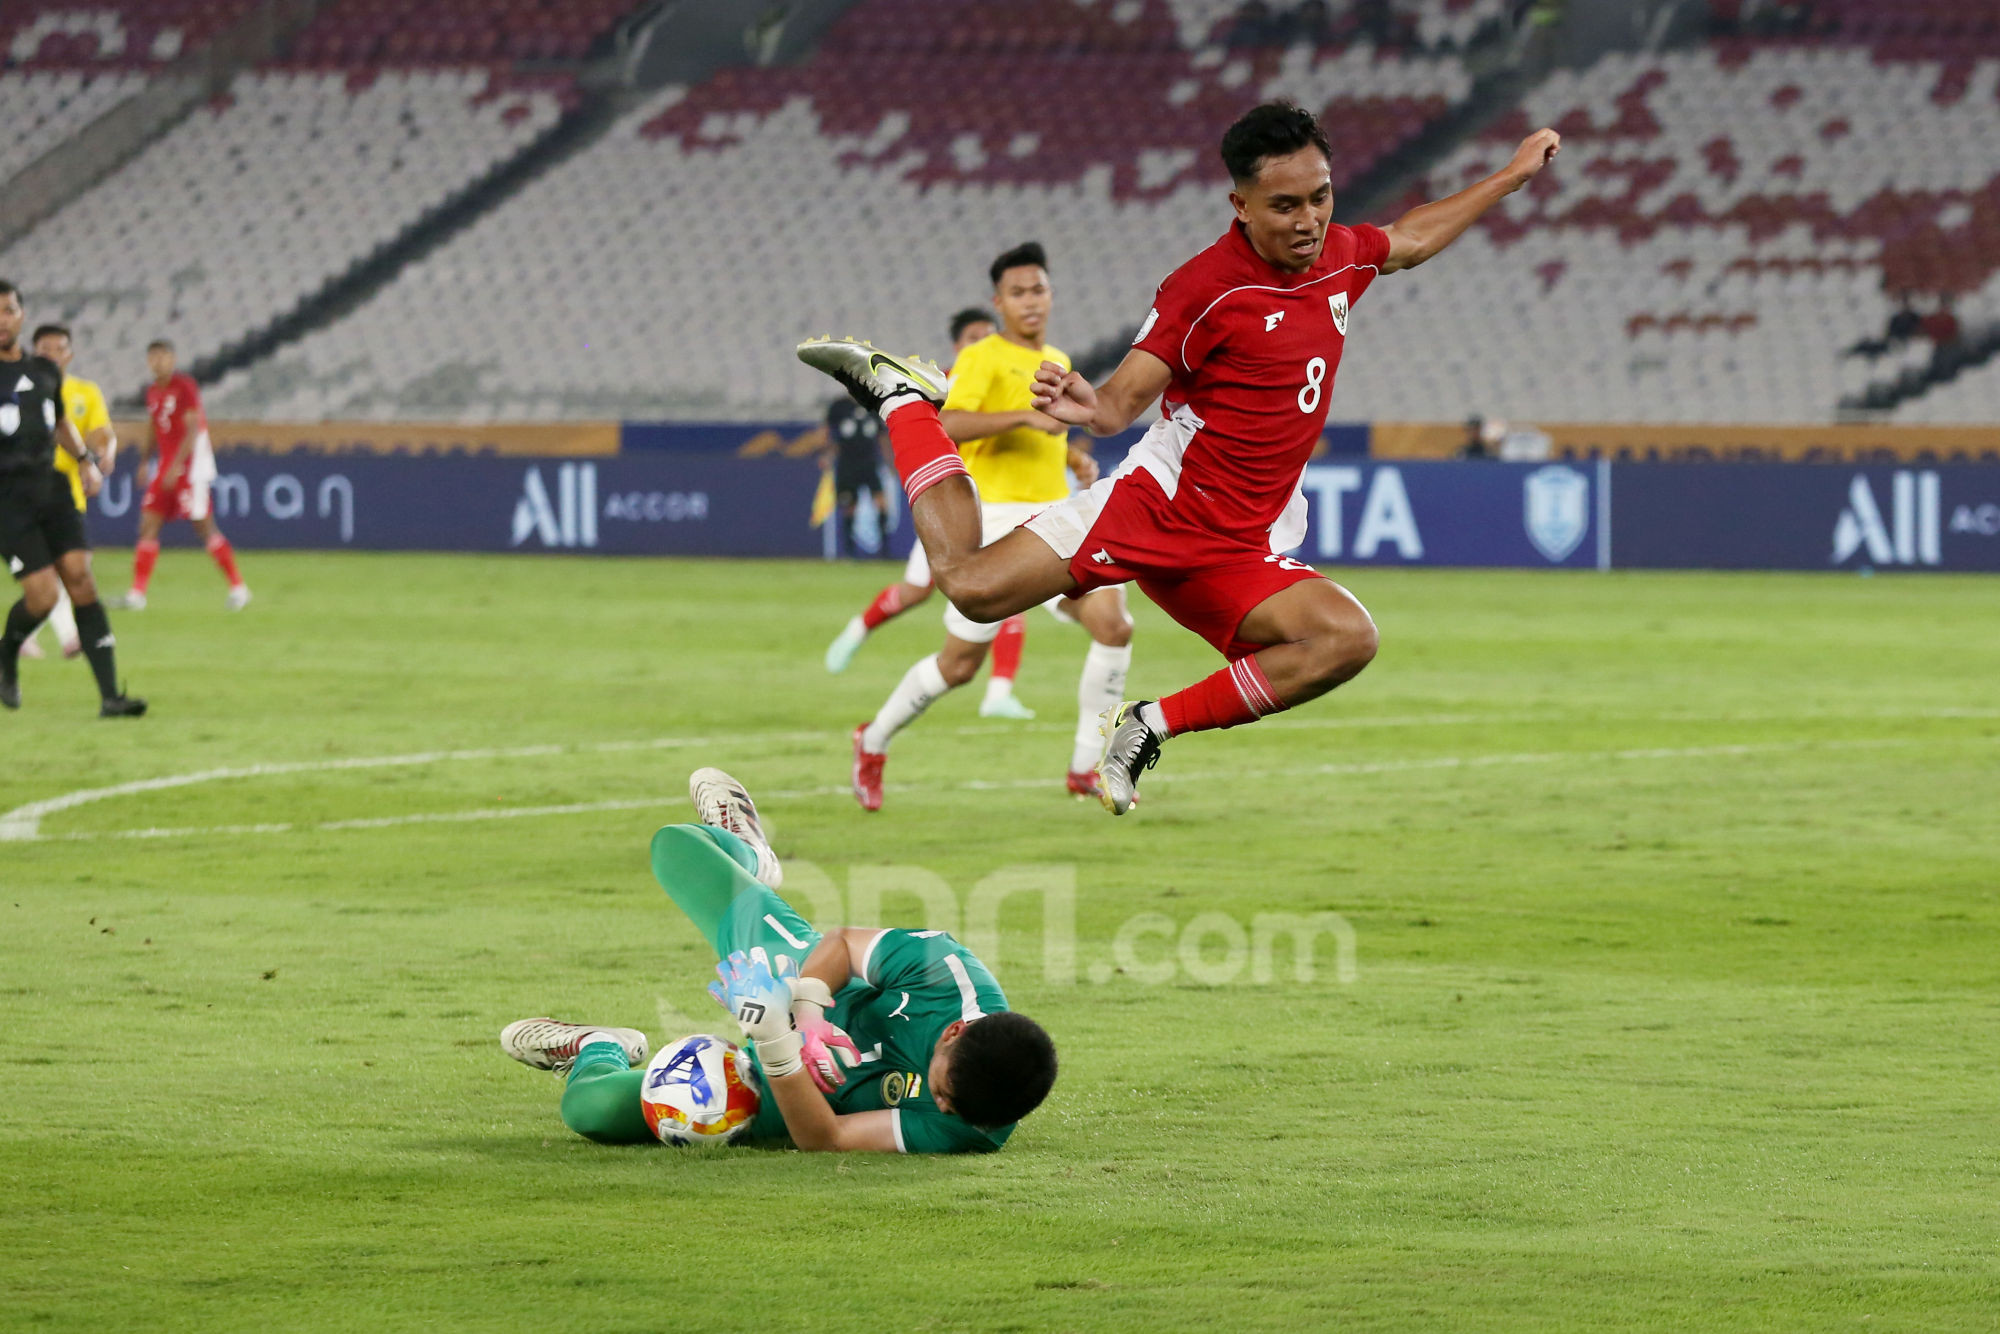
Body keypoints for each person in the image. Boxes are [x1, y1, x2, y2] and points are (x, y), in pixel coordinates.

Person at [800, 101, 1561, 814]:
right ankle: (903, 401)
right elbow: (1120, 405)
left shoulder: (1339, 256)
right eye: (1285, 206)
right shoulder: (1204, 289)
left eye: (1320, 197)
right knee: (969, 590)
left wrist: (1513, 175)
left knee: (1345, 638)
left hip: (1238, 544)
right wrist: (1085, 402)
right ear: (1241, 206)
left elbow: (1412, 238)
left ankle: (1148, 726)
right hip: (1158, 507)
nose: (1310, 221)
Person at [499, 767, 1058, 1154]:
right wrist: (806, 1012)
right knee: (674, 848)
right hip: (795, 972)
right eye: (942, 1091)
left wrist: (776, 1044)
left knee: (590, 1113)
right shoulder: (944, 970)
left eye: (950, 1109)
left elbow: (828, 1140)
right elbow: (841, 946)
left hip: (794, 1095)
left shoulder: (978, 1122)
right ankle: (751, 853)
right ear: (953, 1032)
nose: (941, 1107)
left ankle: (601, 1046)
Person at [848, 243, 1136, 808]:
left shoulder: (1055, 355)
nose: (1031, 302)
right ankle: (873, 738)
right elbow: (945, 421)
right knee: (958, 667)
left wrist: (1072, 458)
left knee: (1114, 625)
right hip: (995, 521)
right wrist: (1024, 416)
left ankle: (1086, 767)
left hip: (1058, 515)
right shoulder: (982, 356)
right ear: (998, 302)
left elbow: (1047, 432)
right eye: (1019, 293)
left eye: (1039, 290)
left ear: (1051, 295)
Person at [825, 306, 1036, 725]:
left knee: (1012, 593)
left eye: (988, 335)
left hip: (998, 504)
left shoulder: (1004, 381)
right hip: (953, 507)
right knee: (915, 590)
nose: (983, 342)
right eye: (974, 336)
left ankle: (999, 693)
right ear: (957, 344)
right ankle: (856, 630)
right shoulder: (938, 383)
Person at [0, 281, 145, 716]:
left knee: (81, 577)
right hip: (8, 497)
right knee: (43, 597)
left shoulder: (45, 371)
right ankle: (6, 652)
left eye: (8, 310)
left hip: (52, 487)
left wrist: (84, 459)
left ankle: (110, 698)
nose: (1, 320)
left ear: (21, 315)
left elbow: (60, 421)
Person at [120, 340, 249, 611]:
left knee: (203, 527)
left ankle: (238, 587)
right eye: (153, 356)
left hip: (191, 468)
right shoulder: (153, 392)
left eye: (164, 356)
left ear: (173, 359)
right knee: (148, 524)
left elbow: (193, 428)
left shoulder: (185, 387)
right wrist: (145, 461)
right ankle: (137, 594)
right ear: (148, 361)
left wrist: (177, 466)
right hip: (166, 466)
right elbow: (154, 428)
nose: (159, 361)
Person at [17, 323, 117, 662]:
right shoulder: (17, 387)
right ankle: (67, 637)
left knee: (59, 572)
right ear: (33, 351)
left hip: (66, 497)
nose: (50, 354)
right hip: (21, 495)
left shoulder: (85, 392)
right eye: (43, 348)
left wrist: (103, 454)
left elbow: (102, 431)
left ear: (69, 354)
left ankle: (27, 637)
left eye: (57, 348)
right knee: (49, 572)